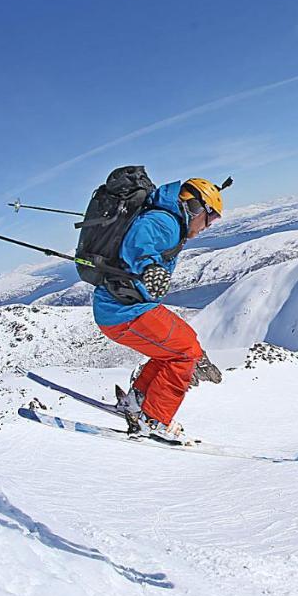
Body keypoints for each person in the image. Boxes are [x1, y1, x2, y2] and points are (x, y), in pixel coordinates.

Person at [93, 177, 225, 439]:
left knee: (188, 344)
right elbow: (140, 242)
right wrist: (149, 267)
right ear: (197, 208)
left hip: (132, 305)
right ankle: (153, 421)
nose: (208, 226)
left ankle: (137, 401)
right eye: (211, 219)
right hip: (123, 311)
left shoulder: (170, 220)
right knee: (185, 353)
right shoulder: (163, 221)